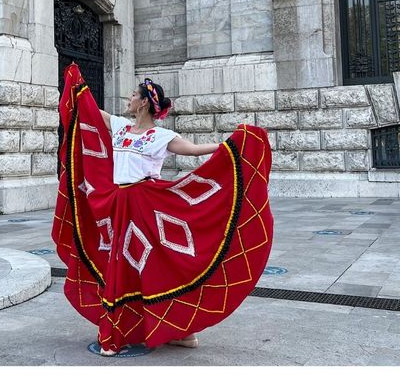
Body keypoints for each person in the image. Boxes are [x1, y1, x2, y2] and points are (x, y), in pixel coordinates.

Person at [52, 63, 273, 357]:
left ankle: (176, 330)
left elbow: (193, 150)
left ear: (144, 102)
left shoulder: (161, 136)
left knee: (155, 266)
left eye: (133, 94)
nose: (128, 99)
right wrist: (78, 88)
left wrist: (229, 146)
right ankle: (170, 330)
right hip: (118, 205)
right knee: (127, 265)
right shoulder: (120, 126)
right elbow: (90, 113)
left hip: (145, 205)